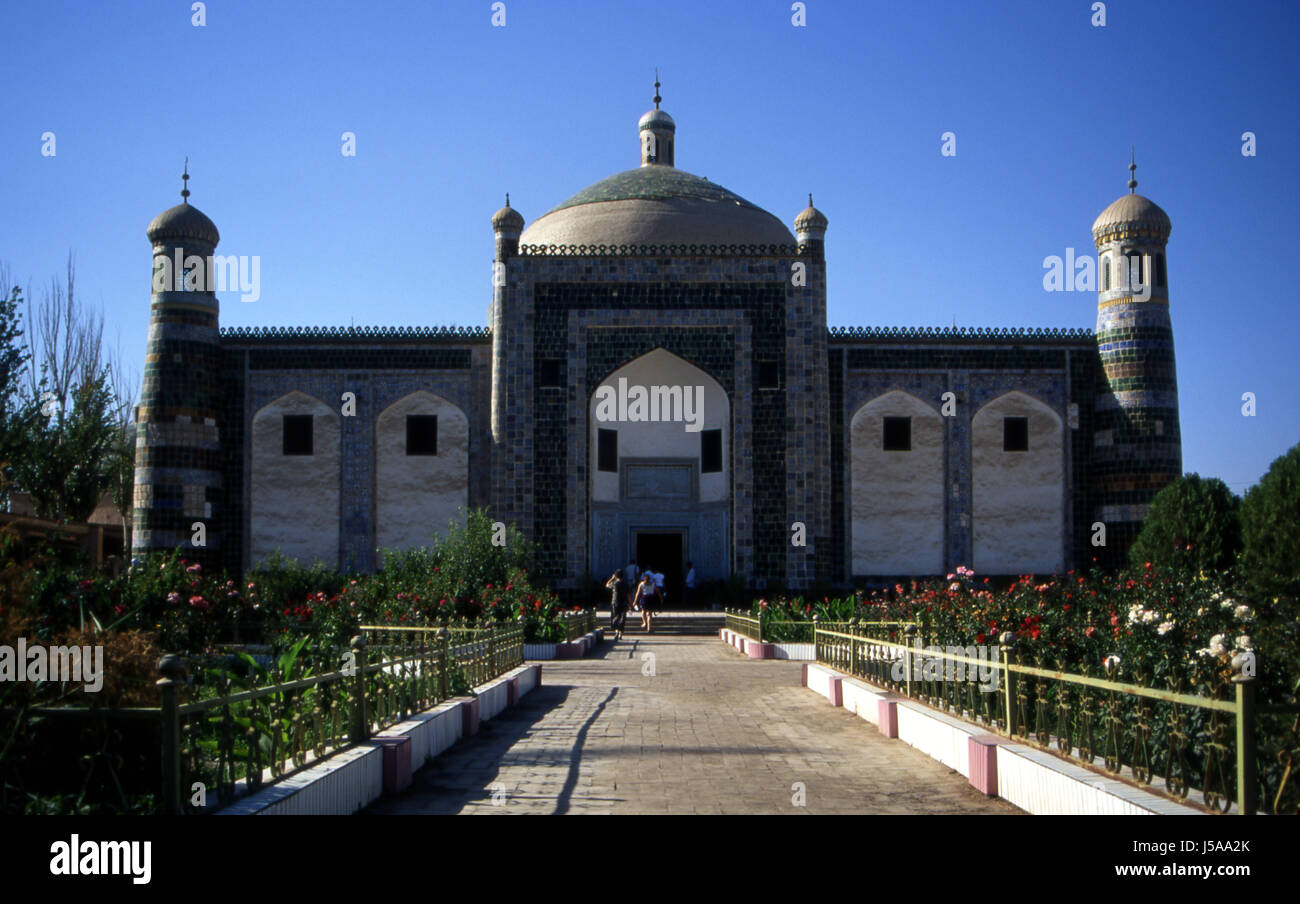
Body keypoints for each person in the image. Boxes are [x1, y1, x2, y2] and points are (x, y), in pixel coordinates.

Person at [605, 571, 626, 641]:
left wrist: (612, 578)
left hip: (615, 602)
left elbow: (607, 585)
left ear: (616, 576)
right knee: (622, 618)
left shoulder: (614, 583)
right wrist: (631, 604)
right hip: (623, 602)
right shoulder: (625, 584)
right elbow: (628, 594)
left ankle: (616, 632)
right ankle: (620, 634)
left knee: (615, 617)